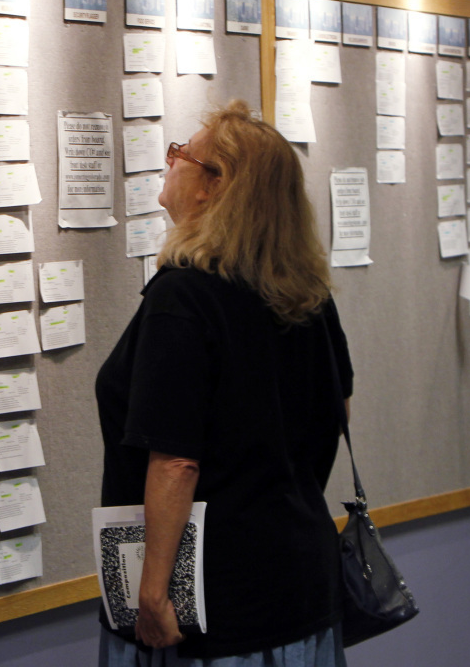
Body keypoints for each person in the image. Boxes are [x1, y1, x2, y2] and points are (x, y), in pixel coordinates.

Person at [95, 100, 353, 667]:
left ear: (214, 185)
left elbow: (175, 461)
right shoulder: (308, 296)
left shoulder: (182, 297)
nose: (169, 162)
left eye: (179, 153)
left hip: (214, 607)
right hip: (303, 582)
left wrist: (155, 592)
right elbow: (338, 411)